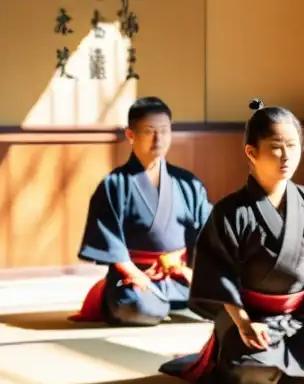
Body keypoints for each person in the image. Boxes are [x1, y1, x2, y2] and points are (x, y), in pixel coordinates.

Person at [159, 99, 304, 384]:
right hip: (251, 320)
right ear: (252, 152)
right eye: (276, 146)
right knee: (252, 375)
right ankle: (268, 362)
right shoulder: (230, 212)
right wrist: (243, 323)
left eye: (293, 146)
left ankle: (284, 363)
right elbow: (217, 277)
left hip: (302, 319)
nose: (286, 156)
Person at [70, 96, 212, 326]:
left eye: (164, 131)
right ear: (130, 135)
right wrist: (133, 273)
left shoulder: (188, 183)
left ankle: (173, 304)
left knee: (230, 295)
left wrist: (198, 274)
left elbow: (207, 237)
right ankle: (163, 306)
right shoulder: (114, 184)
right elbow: (109, 241)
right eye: (149, 131)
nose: (158, 138)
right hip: (135, 279)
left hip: (179, 277)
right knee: (134, 305)